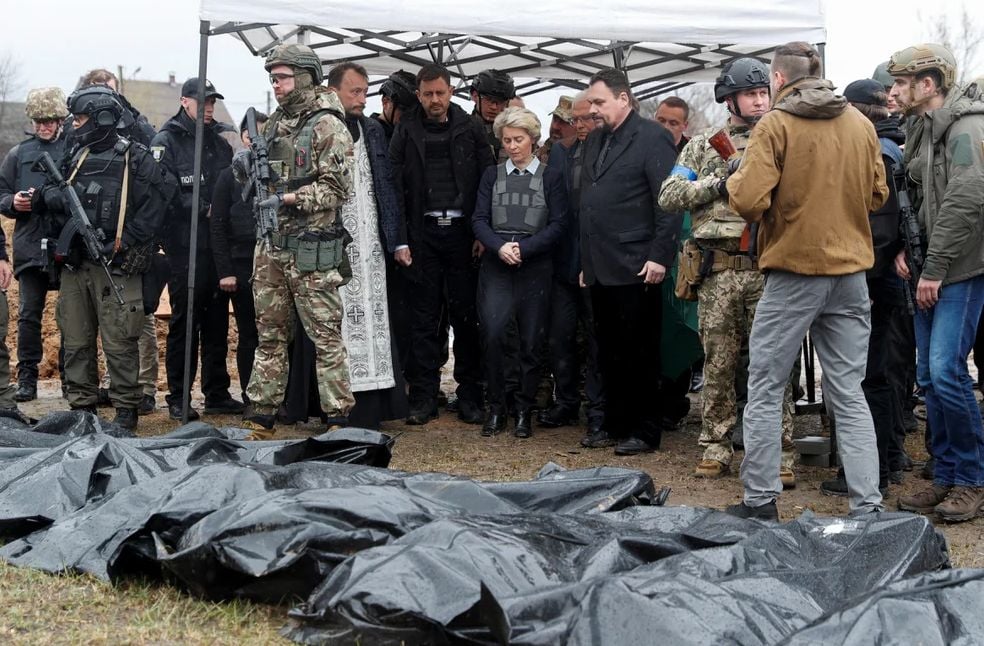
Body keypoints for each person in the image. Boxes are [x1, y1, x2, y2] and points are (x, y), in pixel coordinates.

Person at [725, 42, 888, 520]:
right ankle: (868, 506)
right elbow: (877, 194)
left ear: (777, 80)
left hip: (794, 273)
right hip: (851, 273)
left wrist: (738, 177)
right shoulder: (860, 123)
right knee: (849, 391)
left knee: (766, 386)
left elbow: (749, 202)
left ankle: (760, 501)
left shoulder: (775, 124)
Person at [658, 57, 797, 486]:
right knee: (718, 363)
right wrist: (718, 183)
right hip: (719, 271)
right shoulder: (703, 145)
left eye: (763, 93)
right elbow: (670, 193)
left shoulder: (782, 139)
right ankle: (716, 446)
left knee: (773, 365)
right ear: (730, 98)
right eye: (751, 94)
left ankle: (779, 453)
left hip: (768, 268)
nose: (759, 101)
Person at [32, 86, 168, 429]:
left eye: (80, 119)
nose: (74, 126)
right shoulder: (75, 153)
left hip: (116, 266)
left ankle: (125, 407)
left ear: (102, 119)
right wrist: (58, 201)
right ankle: (82, 406)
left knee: (121, 340)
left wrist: (123, 242)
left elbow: (157, 206)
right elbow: (47, 191)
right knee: (75, 339)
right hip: (77, 265)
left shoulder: (134, 158)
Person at [239, 44, 356, 439]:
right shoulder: (273, 124)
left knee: (325, 338)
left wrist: (289, 198)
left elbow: (337, 190)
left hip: (311, 250)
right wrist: (246, 169)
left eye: (283, 77)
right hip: (272, 247)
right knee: (268, 336)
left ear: (305, 76)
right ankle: (262, 415)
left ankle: (338, 419)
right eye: (272, 78)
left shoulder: (328, 125)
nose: (276, 85)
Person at [889, 44, 984, 523]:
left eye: (902, 83)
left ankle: (971, 479)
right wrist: (909, 250)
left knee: (947, 371)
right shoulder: (920, 131)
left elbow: (966, 201)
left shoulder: (965, 129)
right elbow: (922, 203)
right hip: (932, 266)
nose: (893, 92)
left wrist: (935, 268)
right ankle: (946, 474)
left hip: (961, 269)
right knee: (928, 376)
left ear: (928, 85)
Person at [579, 68, 681, 455]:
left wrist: (659, 256)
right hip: (601, 264)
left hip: (638, 263)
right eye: (591, 102)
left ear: (624, 99)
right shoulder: (596, 139)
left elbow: (668, 203)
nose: (594, 109)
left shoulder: (652, 137)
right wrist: (586, 261)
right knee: (609, 351)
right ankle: (617, 424)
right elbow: (589, 202)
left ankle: (645, 429)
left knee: (639, 351)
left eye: (600, 102)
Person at [389, 63, 494, 425]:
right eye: (428, 94)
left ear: (451, 92)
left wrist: (482, 232)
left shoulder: (471, 128)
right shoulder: (405, 130)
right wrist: (399, 239)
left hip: (463, 236)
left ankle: (469, 397)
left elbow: (487, 182)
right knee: (424, 319)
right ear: (418, 95)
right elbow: (393, 187)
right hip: (423, 236)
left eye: (440, 92)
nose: (435, 100)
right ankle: (423, 397)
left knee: (467, 319)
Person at [817, 78, 907, 498]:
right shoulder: (884, 144)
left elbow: (881, 226)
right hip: (879, 277)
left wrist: (866, 281)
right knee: (879, 373)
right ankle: (888, 461)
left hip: (874, 280)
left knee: (870, 377)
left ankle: (880, 471)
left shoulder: (880, 151)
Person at [309, 62, 408, 429]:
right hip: (332, 244)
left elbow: (386, 185)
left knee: (374, 318)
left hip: (370, 245)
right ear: (333, 90)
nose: (362, 99)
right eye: (356, 92)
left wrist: (397, 239)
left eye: (365, 92)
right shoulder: (316, 127)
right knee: (336, 324)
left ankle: (378, 404)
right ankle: (338, 406)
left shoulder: (372, 130)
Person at [472, 107, 567, 437]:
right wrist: (499, 247)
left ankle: (524, 409)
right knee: (494, 334)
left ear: (533, 139)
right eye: (506, 140)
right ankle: (497, 406)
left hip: (535, 266)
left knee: (531, 340)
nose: (512, 146)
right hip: (497, 264)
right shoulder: (491, 175)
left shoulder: (551, 177)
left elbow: (558, 224)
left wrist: (524, 249)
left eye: (518, 139)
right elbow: (479, 220)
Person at [152, 77, 241, 420]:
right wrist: (202, 206)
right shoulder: (167, 141)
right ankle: (179, 396)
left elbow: (233, 187)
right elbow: (164, 192)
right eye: (202, 102)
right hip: (184, 247)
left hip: (218, 247)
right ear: (184, 101)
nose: (208, 108)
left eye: (212, 102)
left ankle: (217, 392)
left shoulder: (219, 144)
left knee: (217, 322)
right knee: (185, 323)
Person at [538, 92, 606, 439]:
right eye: (576, 120)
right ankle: (565, 402)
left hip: (598, 263)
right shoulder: (561, 154)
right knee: (559, 338)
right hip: (564, 262)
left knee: (597, 341)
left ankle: (598, 411)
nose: (580, 126)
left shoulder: (609, 153)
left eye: (586, 119)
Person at [0, 87, 68, 403]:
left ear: (60, 120)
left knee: (71, 315)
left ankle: (73, 377)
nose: (43, 127)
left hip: (67, 245)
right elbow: (0, 194)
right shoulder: (18, 154)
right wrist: (12, 202)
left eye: (49, 121)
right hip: (29, 245)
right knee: (29, 315)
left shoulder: (74, 151)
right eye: (39, 121)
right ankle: (27, 377)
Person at [209, 112, 267, 409]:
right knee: (249, 333)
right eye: (253, 134)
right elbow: (217, 225)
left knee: (276, 335)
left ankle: (276, 396)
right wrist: (226, 271)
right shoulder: (228, 175)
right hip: (242, 265)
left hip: (273, 262)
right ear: (245, 137)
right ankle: (249, 396)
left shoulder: (276, 171)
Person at [470, 69, 515, 161]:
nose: (494, 107)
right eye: (488, 99)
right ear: (475, 96)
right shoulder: (460, 129)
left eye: (501, 101)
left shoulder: (514, 132)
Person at [371, 70, 417, 141]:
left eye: (415, 112)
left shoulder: (410, 136)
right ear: (385, 102)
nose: (409, 117)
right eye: (404, 110)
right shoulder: (368, 135)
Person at [536, 95, 577, 164]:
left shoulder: (584, 160)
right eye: (555, 119)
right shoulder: (540, 153)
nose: (555, 126)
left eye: (564, 122)